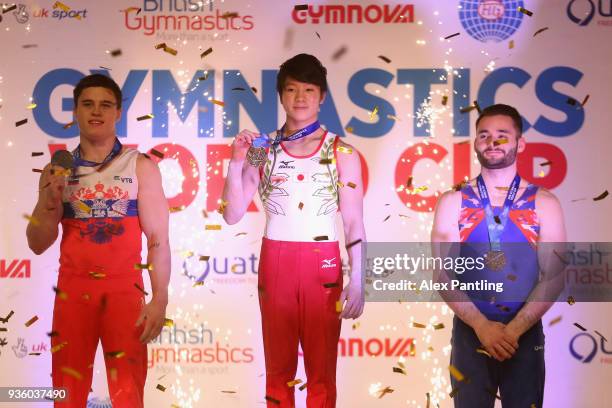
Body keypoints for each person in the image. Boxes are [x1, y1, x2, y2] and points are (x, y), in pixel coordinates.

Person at [221, 53, 366, 407]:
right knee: (278, 370)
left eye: (309, 90)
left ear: (322, 97)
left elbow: (352, 221)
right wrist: (236, 161)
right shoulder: (261, 147)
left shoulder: (342, 151)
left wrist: (360, 279)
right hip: (277, 260)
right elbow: (232, 214)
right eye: (291, 89)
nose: (300, 98)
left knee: (322, 373)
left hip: (323, 262)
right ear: (281, 95)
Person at [26, 74, 170, 407]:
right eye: (87, 104)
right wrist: (48, 200)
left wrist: (159, 299)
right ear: (75, 112)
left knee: (128, 394)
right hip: (73, 292)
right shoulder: (59, 170)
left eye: (105, 105)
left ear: (118, 112)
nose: (96, 112)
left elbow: (158, 239)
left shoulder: (140, 165)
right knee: (66, 393)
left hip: (124, 292)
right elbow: (37, 242)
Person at [431, 104, 566, 407]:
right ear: (476, 143)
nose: (492, 142)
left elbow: (554, 276)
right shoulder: (453, 201)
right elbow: (442, 274)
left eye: (502, 136)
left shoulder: (544, 203)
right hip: (470, 333)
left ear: (521, 144)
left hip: (525, 335)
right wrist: (481, 326)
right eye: (484, 135)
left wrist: (513, 331)